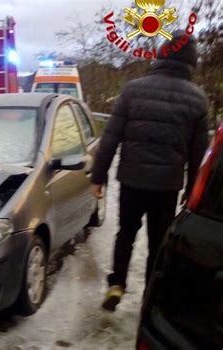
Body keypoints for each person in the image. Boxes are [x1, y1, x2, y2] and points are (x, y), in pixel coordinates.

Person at [91, 31, 209, 311]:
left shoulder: (133, 89)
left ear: (161, 55)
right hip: (166, 188)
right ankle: (149, 297)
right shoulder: (197, 100)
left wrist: (99, 177)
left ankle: (117, 284)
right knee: (158, 244)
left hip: (132, 182)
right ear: (190, 63)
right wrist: (192, 191)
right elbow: (198, 155)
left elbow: (109, 138)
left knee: (125, 234)